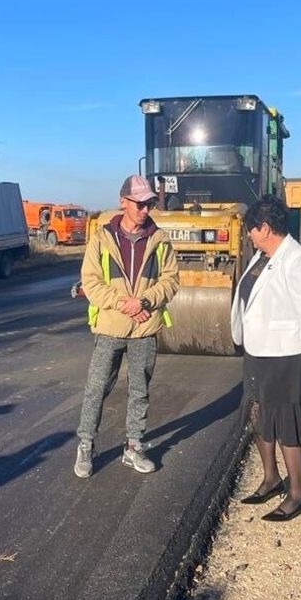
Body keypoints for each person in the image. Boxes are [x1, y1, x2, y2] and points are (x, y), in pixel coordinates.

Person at [230, 195, 301, 521]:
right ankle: (272, 479)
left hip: (285, 355)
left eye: (251, 229)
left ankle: (298, 495)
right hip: (258, 351)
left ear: (266, 227)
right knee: (258, 414)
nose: (249, 235)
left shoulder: (296, 260)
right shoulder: (262, 256)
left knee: (286, 422)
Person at [74, 175, 180, 478]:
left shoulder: (159, 240)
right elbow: (91, 282)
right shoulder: (102, 238)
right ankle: (86, 445)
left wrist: (144, 301)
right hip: (111, 325)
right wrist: (124, 304)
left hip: (144, 328)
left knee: (140, 389)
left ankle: (134, 447)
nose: (146, 209)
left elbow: (171, 280)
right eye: (140, 203)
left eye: (149, 203)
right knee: (97, 387)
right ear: (124, 202)